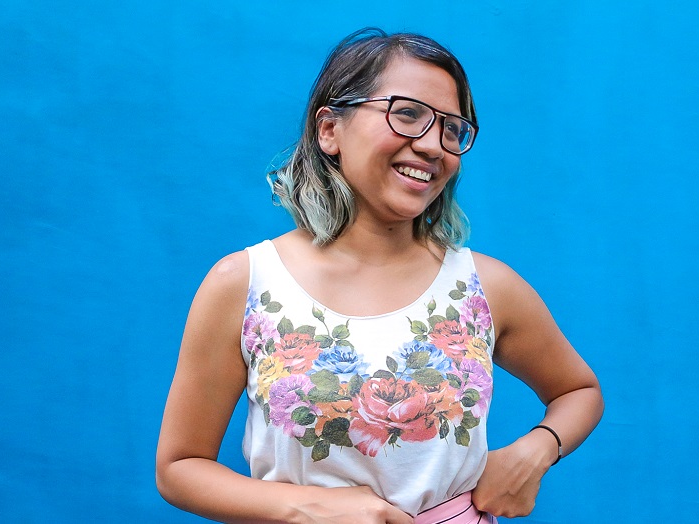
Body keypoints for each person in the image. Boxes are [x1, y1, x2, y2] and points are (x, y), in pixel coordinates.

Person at [156, 28, 603, 524]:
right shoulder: (246, 283)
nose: (434, 146)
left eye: (452, 129)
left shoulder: (486, 287)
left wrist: (534, 453)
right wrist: (307, 508)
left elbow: (578, 391)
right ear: (329, 130)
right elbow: (179, 466)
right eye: (407, 114)